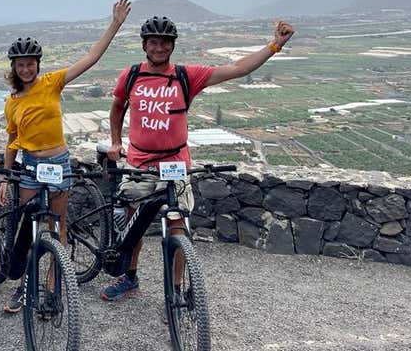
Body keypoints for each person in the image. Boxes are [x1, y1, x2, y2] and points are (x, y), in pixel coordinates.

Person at [100, 15, 295, 305]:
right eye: (153, 42)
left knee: (177, 228)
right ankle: (130, 276)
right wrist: (116, 141)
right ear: (144, 45)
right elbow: (117, 108)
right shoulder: (130, 76)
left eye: (165, 42)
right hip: (140, 163)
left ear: (172, 46)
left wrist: (274, 46)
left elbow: (237, 68)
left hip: (175, 163)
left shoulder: (185, 75)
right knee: (133, 223)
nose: (159, 47)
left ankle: (176, 292)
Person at [0, 0, 131, 313]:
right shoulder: (12, 101)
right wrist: (5, 178)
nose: (26, 68)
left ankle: (53, 290)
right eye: (21, 64)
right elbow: (12, 142)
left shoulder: (51, 83)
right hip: (30, 165)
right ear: (14, 67)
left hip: (57, 162)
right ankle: (23, 287)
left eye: (31, 63)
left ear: (37, 65)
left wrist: (115, 23)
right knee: (30, 228)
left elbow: (91, 58)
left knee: (58, 228)